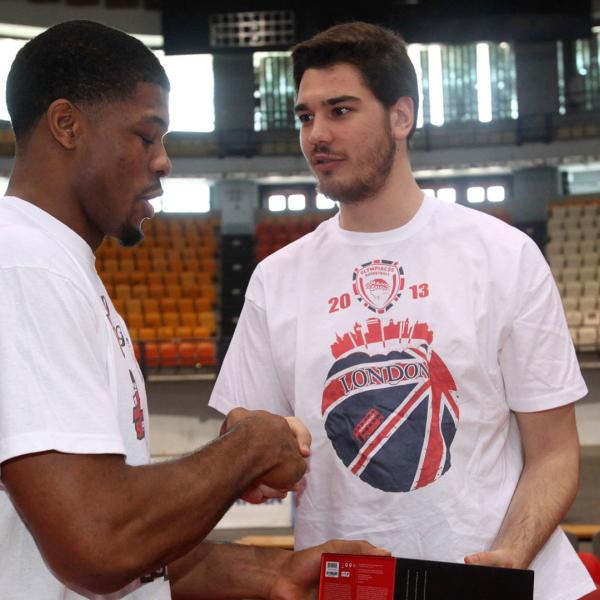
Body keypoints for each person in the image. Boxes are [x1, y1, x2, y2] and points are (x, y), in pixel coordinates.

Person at [0, 20, 386, 600]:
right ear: (66, 125)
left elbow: (127, 546)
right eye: (146, 136)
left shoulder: (56, 266)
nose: (163, 162)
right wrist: (250, 447)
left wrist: (274, 574)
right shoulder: (25, 266)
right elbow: (98, 544)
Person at [209, 21, 596, 600]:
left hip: (484, 580)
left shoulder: (502, 254)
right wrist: (251, 460)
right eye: (305, 116)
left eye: (341, 110)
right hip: (350, 587)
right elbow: (242, 435)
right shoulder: (276, 278)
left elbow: (555, 452)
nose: (317, 135)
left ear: (401, 116)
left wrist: (510, 555)